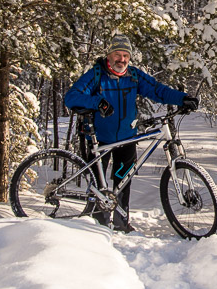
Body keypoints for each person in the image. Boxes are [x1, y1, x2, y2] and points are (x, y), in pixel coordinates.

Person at [65, 33, 198, 232]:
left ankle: (120, 223)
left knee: (123, 182)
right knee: (97, 188)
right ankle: (93, 226)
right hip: (98, 140)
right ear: (109, 55)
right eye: (118, 55)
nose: (122, 60)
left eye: (126, 55)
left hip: (126, 139)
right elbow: (71, 97)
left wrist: (183, 98)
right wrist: (97, 102)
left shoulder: (133, 76)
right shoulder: (96, 75)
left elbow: (158, 90)